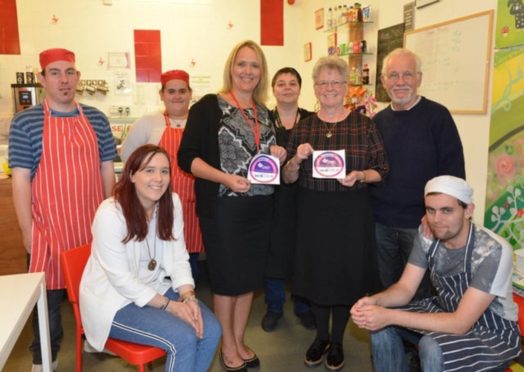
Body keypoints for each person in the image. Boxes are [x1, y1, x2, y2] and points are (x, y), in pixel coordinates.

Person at [178, 40, 287, 372]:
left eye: (254, 66)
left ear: (261, 72)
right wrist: (224, 179)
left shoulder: (264, 112)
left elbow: (265, 157)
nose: (248, 71)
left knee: (248, 281)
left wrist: (278, 154)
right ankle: (227, 344)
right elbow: (187, 158)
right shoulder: (209, 106)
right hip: (223, 210)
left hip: (260, 209)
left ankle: (238, 339)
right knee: (227, 282)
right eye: (242, 64)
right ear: (231, 67)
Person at [8, 48, 116, 372]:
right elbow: (21, 180)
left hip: (91, 227)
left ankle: (95, 339)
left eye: (69, 72)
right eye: (54, 72)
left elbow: (107, 170)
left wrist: (113, 219)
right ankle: (45, 357)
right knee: (48, 302)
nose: (63, 79)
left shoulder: (96, 118)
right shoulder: (25, 122)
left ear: (78, 77)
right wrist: (28, 232)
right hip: (48, 229)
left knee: (96, 291)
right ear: (42, 79)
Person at [282, 56, 389, 371]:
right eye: (323, 82)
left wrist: (360, 176)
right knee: (315, 274)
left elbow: (383, 170)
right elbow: (287, 178)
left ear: (346, 87)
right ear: (315, 88)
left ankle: (338, 340)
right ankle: (321, 336)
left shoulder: (364, 124)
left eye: (336, 82)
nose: (329, 88)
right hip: (312, 211)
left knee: (345, 276)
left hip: (350, 213)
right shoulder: (304, 127)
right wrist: (296, 160)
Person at [351, 175, 521, 372]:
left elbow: (460, 323)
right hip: (445, 309)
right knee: (379, 326)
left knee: (431, 346)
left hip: (491, 332)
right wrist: (377, 302)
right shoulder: (427, 235)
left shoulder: (492, 250)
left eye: (446, 210)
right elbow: (405, 288)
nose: (436, 220)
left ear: (468, 210)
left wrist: (389, 315)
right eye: (430, 210)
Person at [79, 144, 221, 372]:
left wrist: (188, 296)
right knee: (183, 338)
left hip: (153, 286)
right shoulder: (110, 213)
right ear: (132, 175)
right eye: (149, 170)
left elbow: (178, 256)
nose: (158, 178)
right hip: (113, 301)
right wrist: (170, 306)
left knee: (211, 329)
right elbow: (122, 280)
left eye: (164, 171)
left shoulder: (171, 202)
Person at [370, 48, 465, 294]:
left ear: (419, 78)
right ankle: (391, 334)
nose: (400, 82)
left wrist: (435, 215)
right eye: (393, 75)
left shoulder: (438, 116)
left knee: (424, 291)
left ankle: (419, 335)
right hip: (381, 223)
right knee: (385, 288)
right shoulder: (377, 122)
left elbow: (453, 173)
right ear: (383, 81)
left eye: (407, 75)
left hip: (421, 224)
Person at [121, 69, 203, 280]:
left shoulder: (200, 122)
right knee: (159, 246)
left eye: (182, 91)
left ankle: (186, 289)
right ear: (162, 94)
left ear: (190, 93)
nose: (177, 96)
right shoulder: (148, 123)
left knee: (190, 253)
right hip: (159, 200)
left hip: (195, 201)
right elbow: (130, 158)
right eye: (171, 91)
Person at [262, 67, 315, 332]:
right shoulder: (263, 120)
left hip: (305, 196)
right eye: (280, 83)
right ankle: (274, 306)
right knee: (274, 253)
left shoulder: (311, 119)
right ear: (273, 89)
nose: (286, 87)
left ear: (299, 88)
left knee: (302, 250)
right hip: (272, 198)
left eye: (292, 83)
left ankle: (303, 306)